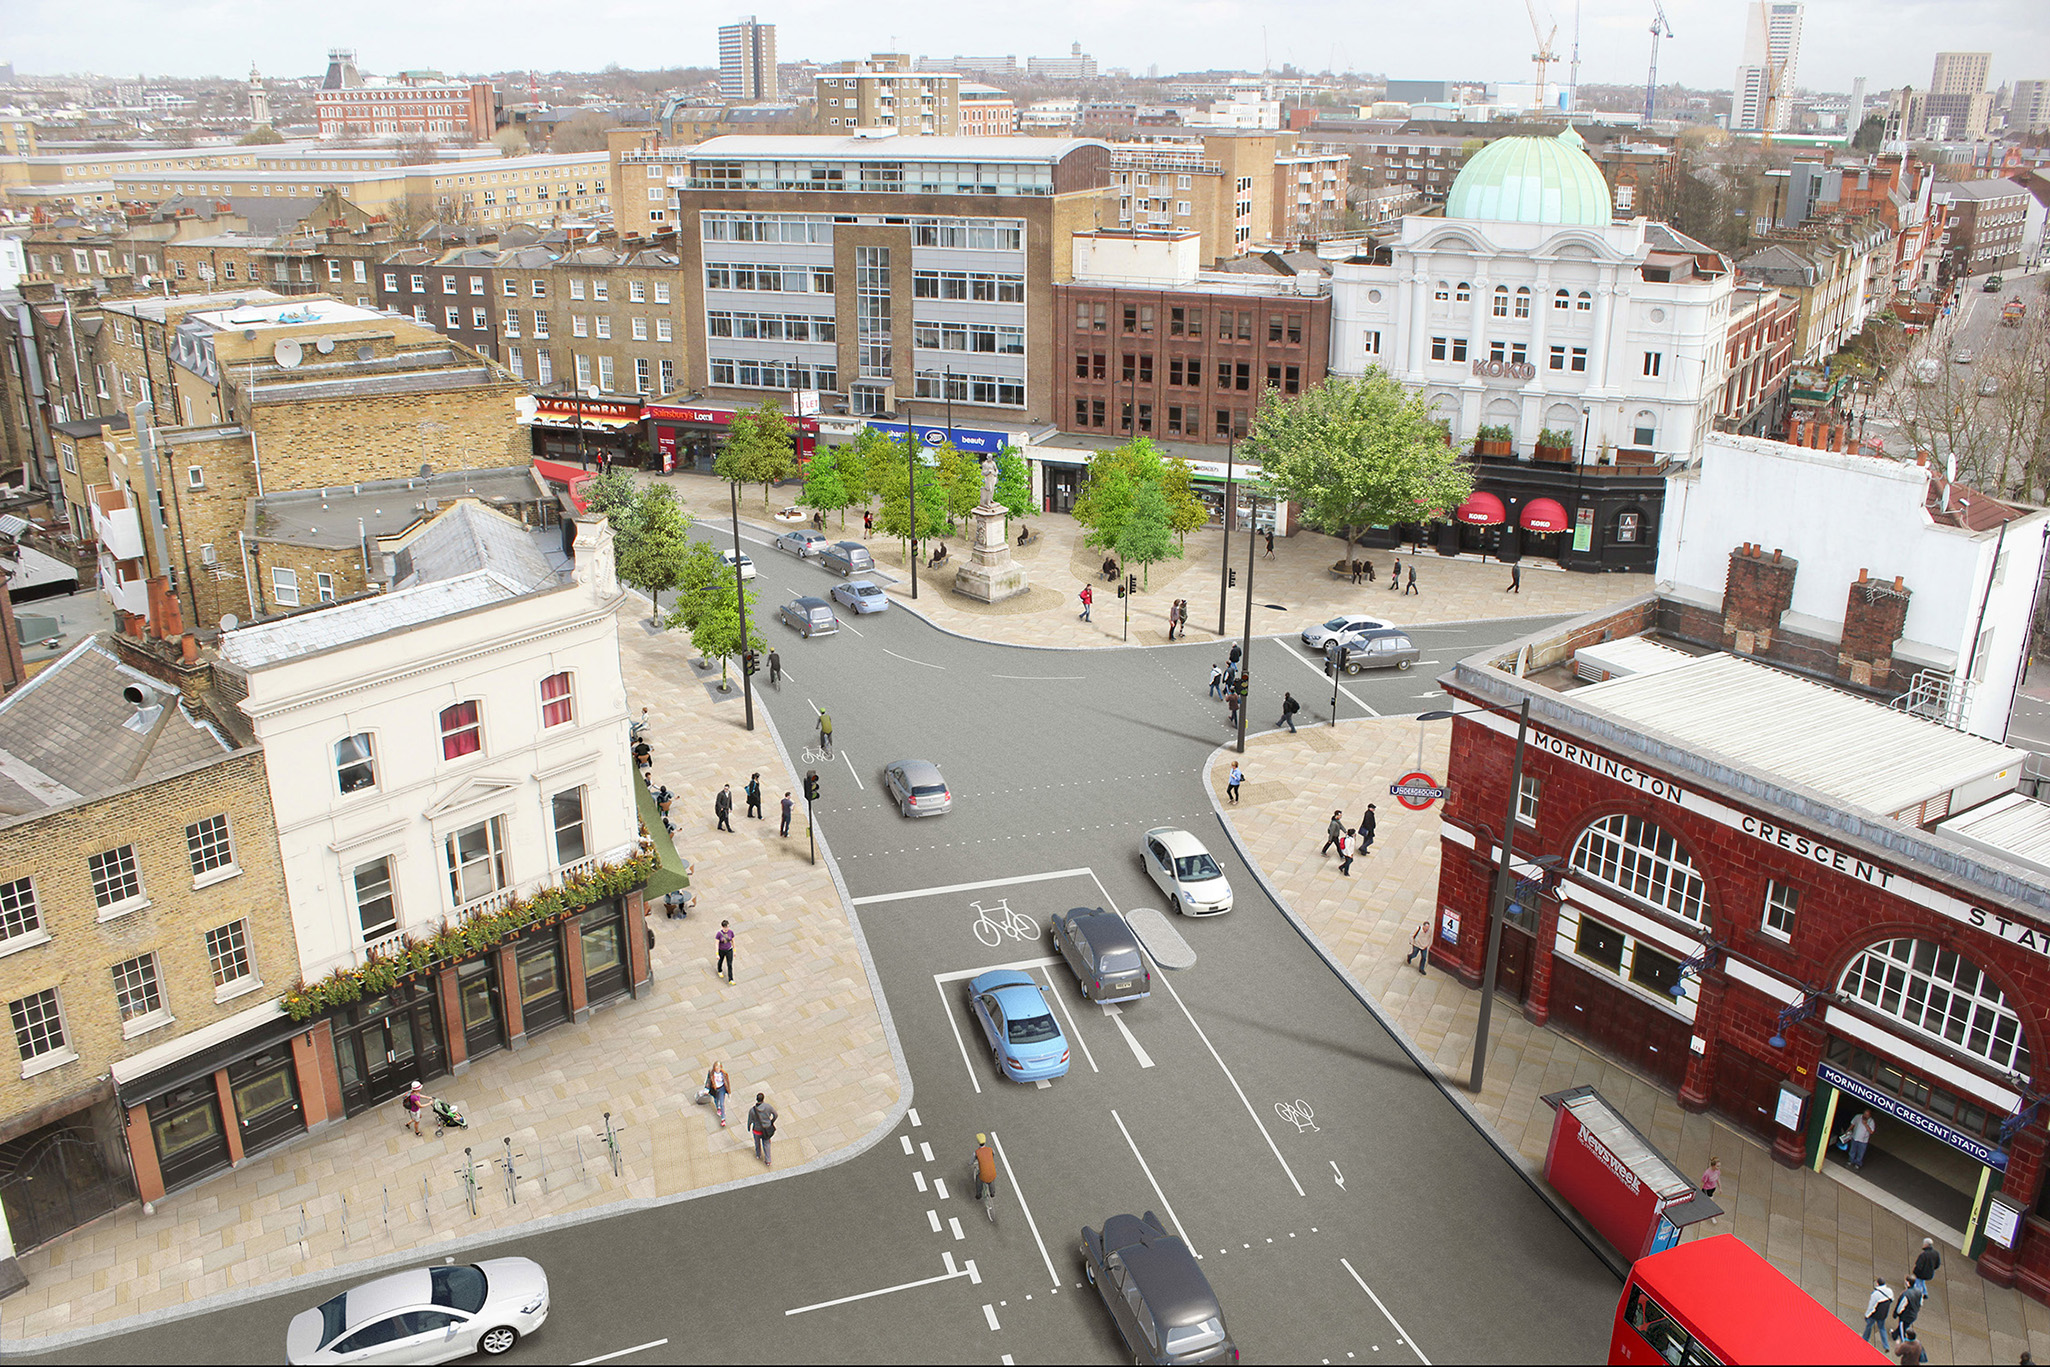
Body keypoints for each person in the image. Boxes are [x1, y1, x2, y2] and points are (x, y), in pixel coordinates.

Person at [1862, 1278, 1895, 1351]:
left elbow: (1872, 1306)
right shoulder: (1890, 1291)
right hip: (1883, 1314)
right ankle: (1886, 1346)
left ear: (1877, 1284)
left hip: (1874, 1314)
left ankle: (1865, 1339)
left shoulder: (1875, 1294)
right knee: (1882, 1328)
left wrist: (1867, 1315)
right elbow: (1892, 1300)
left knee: (1869, 1326)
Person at [747, 1092, 778, 1166]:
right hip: (766, 1130)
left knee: (757, 1143)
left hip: (756, 1130)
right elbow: (775, 1115)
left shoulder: (752, 1110)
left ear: (756, 1099)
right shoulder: (768, 1107)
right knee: (766, 1144)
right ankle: (768, 1160)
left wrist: (748, 1127)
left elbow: (750, 1120)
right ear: (763, 1098)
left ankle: (758, 1155)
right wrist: (771, 1122)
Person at [1892, 1275, 1923, 1345]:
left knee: (1902, 1328)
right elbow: (1920, 1303)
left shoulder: (1906, 1294)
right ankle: (1894, 1335)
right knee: (1904, 1326)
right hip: (1914, 1314)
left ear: (1908, 1283)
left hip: (1906, 1316)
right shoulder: (1919, 1291)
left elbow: (1901, 1307)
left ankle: (1904, 1343)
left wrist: (1896, 1314)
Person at [972, 1133, 998, 1203]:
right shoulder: (991, 1150)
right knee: (991, 1178)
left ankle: (978, 1195)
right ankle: (992, 1193)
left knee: (979, 1178)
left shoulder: (976, 1152)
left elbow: (972, 1161)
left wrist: (970, 1163)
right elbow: (993, 1155)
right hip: (993, 1173)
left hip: (984, 1176)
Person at [705, 1063, 730, 1127]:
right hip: (715, 1089)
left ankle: (723, 1119)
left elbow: (727, 1082)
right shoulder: (711, 1073)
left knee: (722, 1103)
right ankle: (718, 1107)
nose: (718, 1069)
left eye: (719, 1068)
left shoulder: (724, 1074)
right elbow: (708, 1081)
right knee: (716, 1100)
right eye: (716, 1068)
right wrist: (707, 1089)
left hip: (722, 1089)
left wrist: (728, 1091)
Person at [1699, 1157, 1722, 1222]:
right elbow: (1702, 1182)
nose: (1719, 1168)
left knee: (1708, 1200)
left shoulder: (1717, 1171)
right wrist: (1700, 1190)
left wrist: (1720, 1187)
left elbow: (1718, 1179)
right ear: (1713, 1165)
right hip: (1706, 1189)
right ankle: (1712, 1216)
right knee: (1711, 1202)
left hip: (1712, 1188)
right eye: (1717, 1166)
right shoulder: (1707, 1173)